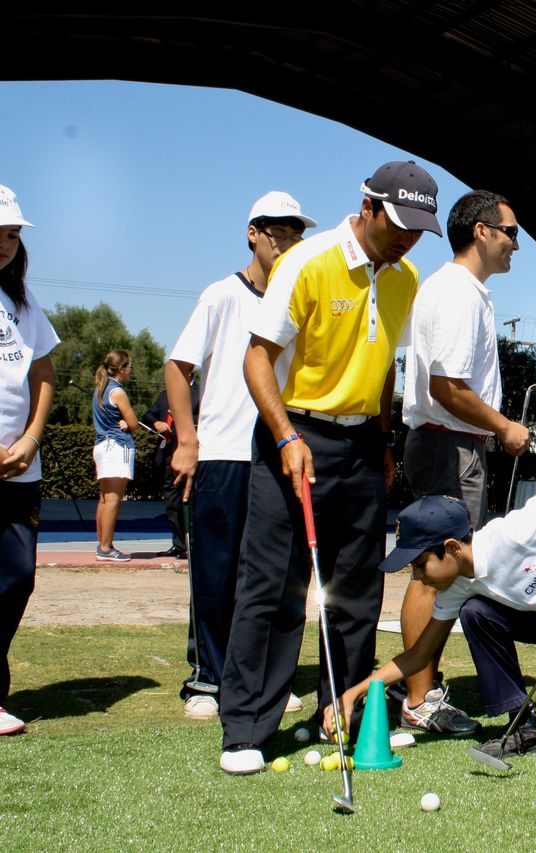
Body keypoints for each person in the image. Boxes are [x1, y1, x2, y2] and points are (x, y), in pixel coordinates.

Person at [218, 161, 440, 775]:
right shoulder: (306, 263)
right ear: (366, 207)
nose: (407, 238)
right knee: (273, 587)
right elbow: (257, 359)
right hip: (296, 435)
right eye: (398, 224)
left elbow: (384, 360)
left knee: (357, 593)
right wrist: (286, 435)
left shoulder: (406, 277)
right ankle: (247, 730)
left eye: (418, 229)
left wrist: (385, 437)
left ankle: (340, 715)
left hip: (362, 445)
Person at [324, 466, 536, 760]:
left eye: (419, 565)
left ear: (451, 548)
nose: (416, 577)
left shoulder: (512, 534)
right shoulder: (459, 584)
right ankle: (523, 722)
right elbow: (418, 655)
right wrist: (354, 693)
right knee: (477, 612)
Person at [166, 191, 316, 720]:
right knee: (217, 569)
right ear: (252, 233)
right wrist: (188, 440)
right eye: (277, 231)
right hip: (224, 453)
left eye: (295, 233)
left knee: (275, 573)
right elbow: (177, 367)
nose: (287, 241)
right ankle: (208, 679)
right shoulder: (220, 295)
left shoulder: (299, 299)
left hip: (278, 451)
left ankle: (261, 678)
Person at [396, 190, 526, 738]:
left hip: (451, 444)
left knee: (441, 571)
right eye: (511, 232)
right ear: (481, 231)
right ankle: (420, 698)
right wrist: (503, 425)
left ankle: (422, 690)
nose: (517, 244)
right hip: (449, 444)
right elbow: (446, 386)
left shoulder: (464, 291)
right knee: (435, 572)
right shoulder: (456, 292)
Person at [0, 185, 58, 736]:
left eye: (12, 235)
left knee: (16, 577)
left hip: (21, 466)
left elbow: (42, 374)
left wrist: (33, 438)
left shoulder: (22, 301)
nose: (4, 244)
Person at [139, 383, 199, 559]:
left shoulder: (200, 392)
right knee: (172, 501)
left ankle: (194, 545)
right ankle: (179, 544)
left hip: (190, 454)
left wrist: (185, 420)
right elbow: (147, 415)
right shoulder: (165, 394)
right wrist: (156, 422)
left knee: (191, 500)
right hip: (168, 453)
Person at [92, 350, 138, 562]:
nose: (131, 370)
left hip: (101, 445)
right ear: (121, 368)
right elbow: (134, 424)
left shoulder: (100, 388)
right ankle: (106, 547)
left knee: (104, 498)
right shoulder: (118, 392)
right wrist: (126, 423)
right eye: (129, 366)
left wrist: (123, 422)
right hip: (117, 447)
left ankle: (103, 544)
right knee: (113, 499)